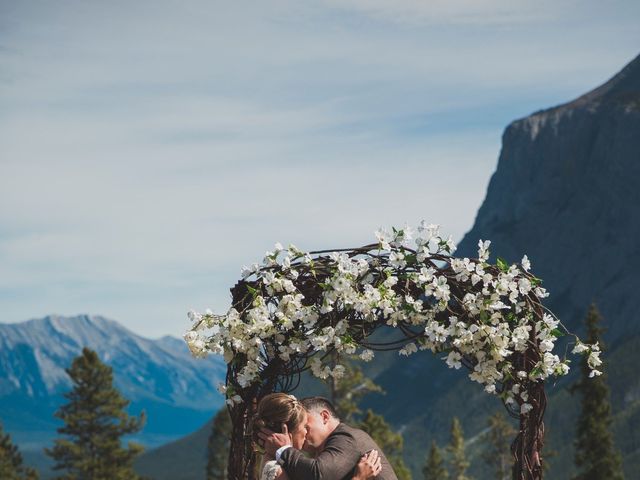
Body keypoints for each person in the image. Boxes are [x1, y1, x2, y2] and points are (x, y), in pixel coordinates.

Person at [258, 396, 398, 480]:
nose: (303, 432)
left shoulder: (347, 437)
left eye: (306, 425)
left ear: (324, 417)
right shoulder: (328, 447)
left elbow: (319, 474)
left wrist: (284, 450)